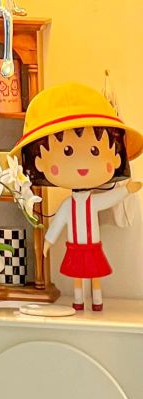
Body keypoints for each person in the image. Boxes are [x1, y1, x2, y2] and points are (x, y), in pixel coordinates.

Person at [16, 83, 142, 311]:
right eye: (67, 152)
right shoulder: (68, 205)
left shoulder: (92, 202)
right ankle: (78, 300)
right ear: (39, 161)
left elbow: (110, 199)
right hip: (75, 247)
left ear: (115, 157)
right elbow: (58, 223)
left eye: (95, 151)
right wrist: (47, 242)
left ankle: (97, 300)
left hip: (92, 246)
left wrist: (126, 190)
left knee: (95, 274)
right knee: (77, 275)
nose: (82, 165)